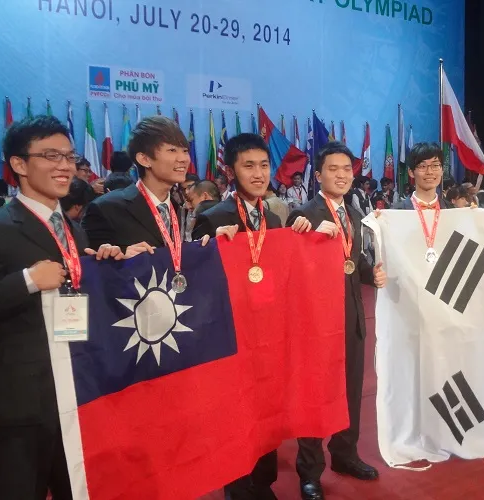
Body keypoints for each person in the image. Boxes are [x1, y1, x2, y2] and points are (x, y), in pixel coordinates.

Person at [0, 115, 124, 499]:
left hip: (79, 392)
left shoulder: (72, 229)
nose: (65, 166)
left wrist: (107, 265)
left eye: (69, 156)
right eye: (51, 156)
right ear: (19, 164)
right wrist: (26, 280)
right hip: (26, 402)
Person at [190, 133, 312, 500]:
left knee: (267, 406)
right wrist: (212, 248)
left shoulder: (274, 216)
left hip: (269, 330)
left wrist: (302, 236)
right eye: (248, 166)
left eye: (263, 165)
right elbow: (197, 281)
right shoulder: (213, 217)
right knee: (237, 411)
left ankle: (263, 483)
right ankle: (239, 488)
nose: (258, 174)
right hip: (232, 333)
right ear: (230, 171)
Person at [287, 142, 386, 500]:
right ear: (318, 175)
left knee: (351, 392)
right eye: (333, 169)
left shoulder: (356, 216)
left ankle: (345, 454)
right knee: (315, 395)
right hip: (317, 323)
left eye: (347, 169)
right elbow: (293, 269)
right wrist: (301, 235)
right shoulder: (302, 216)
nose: (342, 175)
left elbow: (353, 263)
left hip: (353, 319)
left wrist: (371, 274)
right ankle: (310, 471)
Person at [82, 116, 199, 252]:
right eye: (172, 150)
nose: (183, 159)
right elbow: (87, 262)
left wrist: (207, 247)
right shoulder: (106, 208)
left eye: (185, 151)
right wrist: (123, 259)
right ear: (144, 159)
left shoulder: (180, 211)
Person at [392, 143, 452, 210]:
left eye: (435, 165)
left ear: (442, 170)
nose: (429, 172)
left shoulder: (452, 211)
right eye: (423, 166)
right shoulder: (397, 212)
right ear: (411, 172)